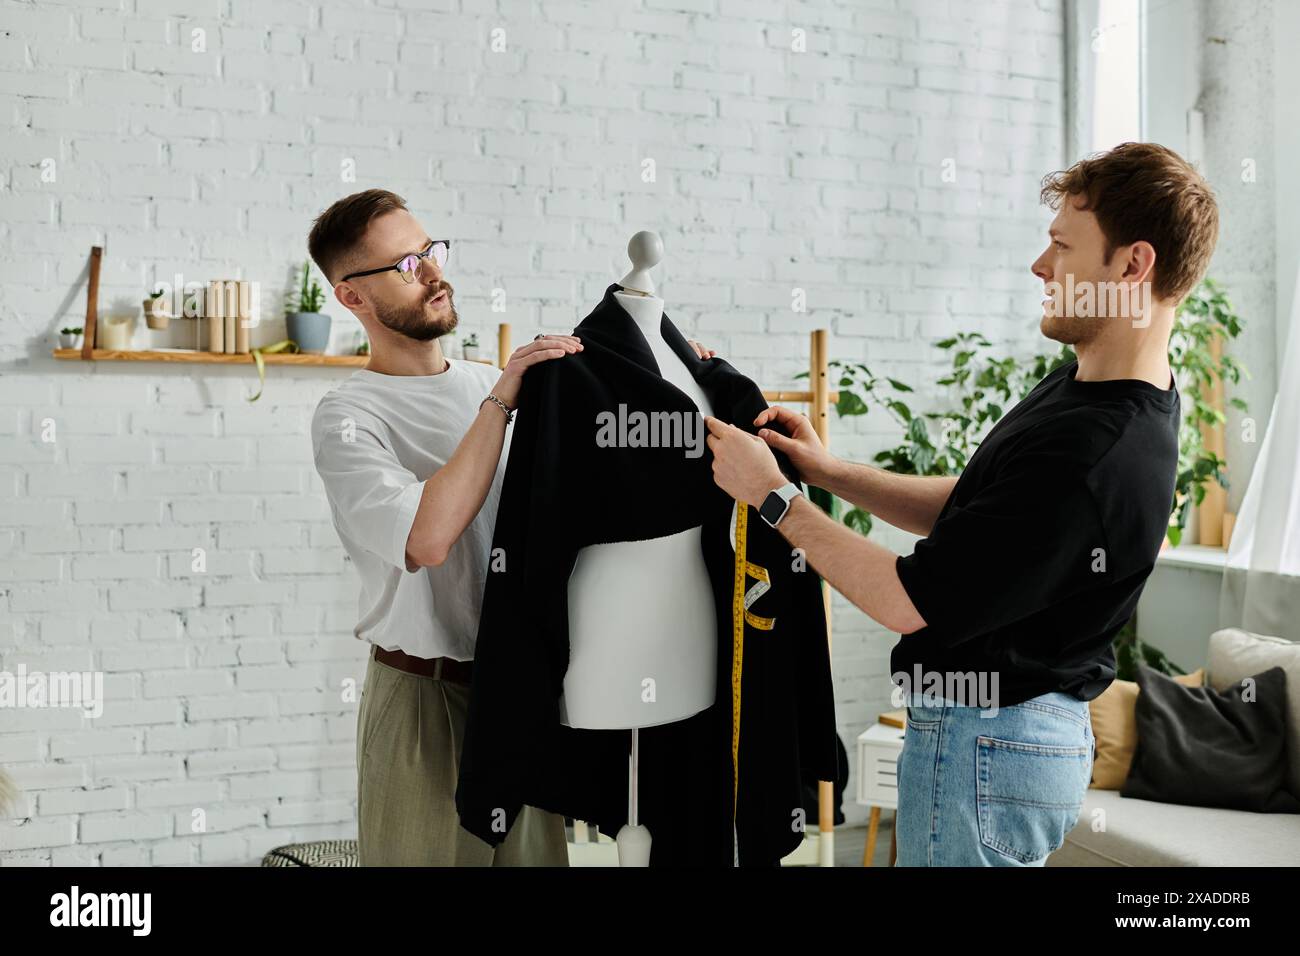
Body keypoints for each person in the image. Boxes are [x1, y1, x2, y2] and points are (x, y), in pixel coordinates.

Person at [703, 142, 1219, 866]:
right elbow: (975, 510)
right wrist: (827, 470)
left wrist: (772, 497)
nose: (1041, 266)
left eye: (1062, 246)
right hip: (1003, 739)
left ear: (1132, 266)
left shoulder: (1096, 452)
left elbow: (902, 599)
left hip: (989, 743)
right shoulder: (1097, 390)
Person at [307, 188, 714, 865]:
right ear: (352, 298)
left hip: (515, 689)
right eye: (406, 266)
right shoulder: (349, 416)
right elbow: (427, 538)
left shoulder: (494, 385)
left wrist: (660, 377)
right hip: (420, 703)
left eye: (431, 251)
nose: (435, 273)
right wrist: (503, 399)